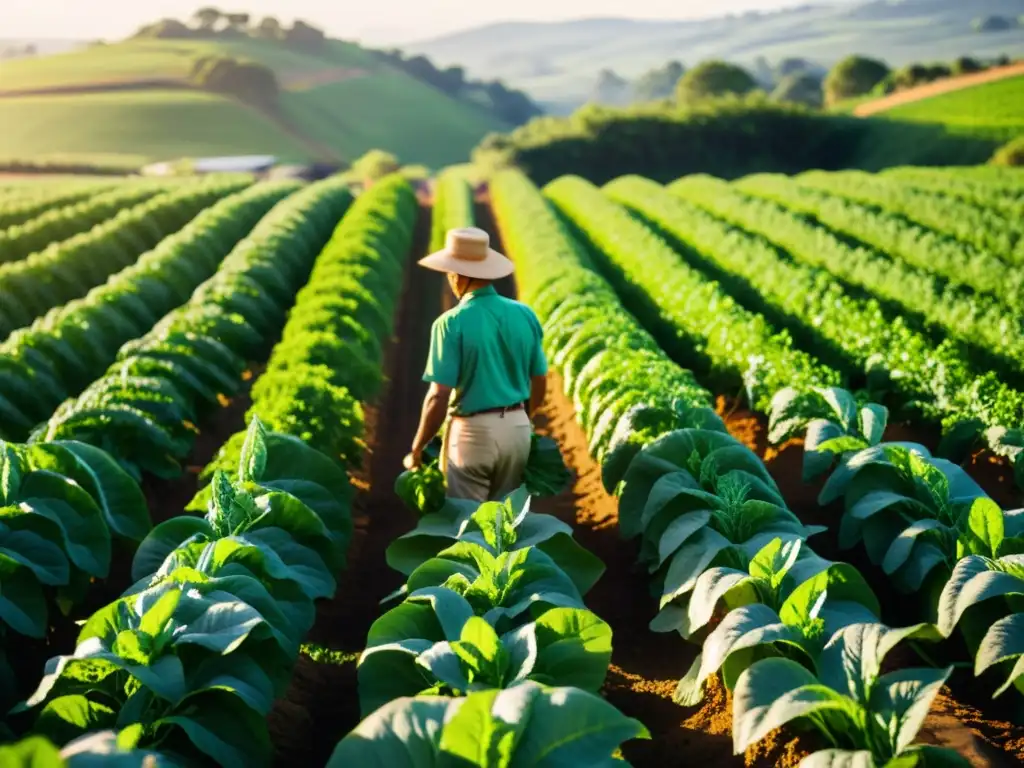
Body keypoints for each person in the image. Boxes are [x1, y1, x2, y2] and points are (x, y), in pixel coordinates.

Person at [403, 226, 548, 502]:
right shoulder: (524, 314)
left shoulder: (450, 323)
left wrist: (419, 446)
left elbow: (438, 395)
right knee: (506, 522)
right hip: (517, 429)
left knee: (468, 525)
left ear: (456, 275)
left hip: (472, 434)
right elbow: (540, 379)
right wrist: (523, 418)